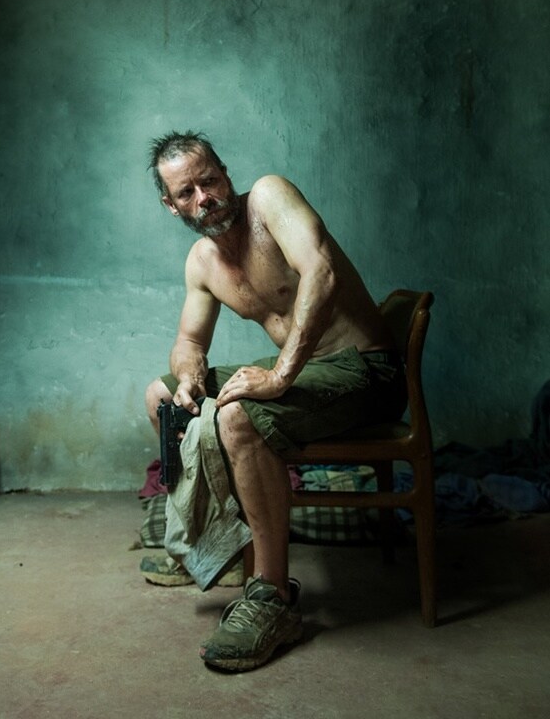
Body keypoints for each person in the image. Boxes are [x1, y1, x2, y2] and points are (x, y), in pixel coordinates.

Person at [142, 131, 406, 672]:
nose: (204, 198)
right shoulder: (202, 261)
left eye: (209, 181)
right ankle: (212, 546)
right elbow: (189, 343)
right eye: (187, 193)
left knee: (238, 417)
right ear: (171, 206)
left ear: (225, 173)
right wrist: (189, 377)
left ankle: (272, 598)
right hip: (309, 371)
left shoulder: (269, 198)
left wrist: (282, 375)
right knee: (163, 396)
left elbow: (321, 271)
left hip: (365, 370)